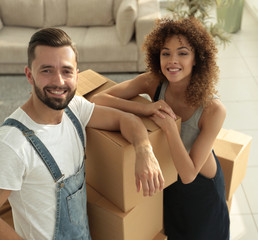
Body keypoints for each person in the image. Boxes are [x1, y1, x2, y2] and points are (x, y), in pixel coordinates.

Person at [0, 28, 165, 240]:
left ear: (77, 75)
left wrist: (144, 151)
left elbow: (126, 120)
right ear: (30, 75)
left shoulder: (74, 108)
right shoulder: (12, 143)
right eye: (47, 70)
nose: (58, 81)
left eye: (66, 71)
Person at [91, 17, 230, 240]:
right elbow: (98, 99)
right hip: (169, 186)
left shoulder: (213, 110)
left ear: (197, 58)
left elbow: (188, 174)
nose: (172, 61)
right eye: (166, 53)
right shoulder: (153, 82)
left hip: (201, 195)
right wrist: (145, 109)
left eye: (182, 53)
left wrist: (170, 128)